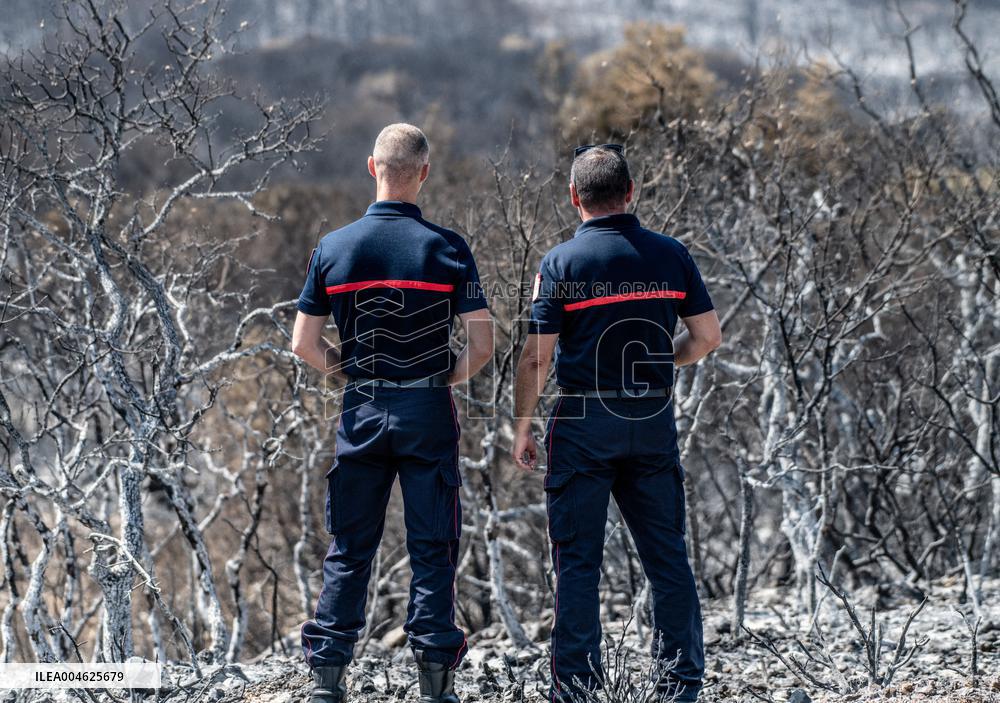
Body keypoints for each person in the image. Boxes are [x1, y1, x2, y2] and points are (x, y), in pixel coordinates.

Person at [511, 144, 721, 702]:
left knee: (578, 562)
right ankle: (680, 686)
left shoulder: (561, 264)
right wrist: (658, 362)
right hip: (650, 414)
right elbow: (707, 337)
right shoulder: (671, 255)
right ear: (631, 193)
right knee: (667, 557)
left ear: (575, 197)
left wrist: (522, 425)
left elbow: (536, 358)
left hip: (583, 417)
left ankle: (578, 690)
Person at [292, 123, 493, 703]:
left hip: (362, 405)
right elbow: (481, 346)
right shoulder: (448, 247)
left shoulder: (334, 247)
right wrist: (439, 378)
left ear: (371, 167)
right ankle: (435, 685)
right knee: (433, 543)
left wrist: (349, 372)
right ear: (423, 173)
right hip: (426, 404)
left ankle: (328, 681)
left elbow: (303, 343)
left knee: (351, 545)